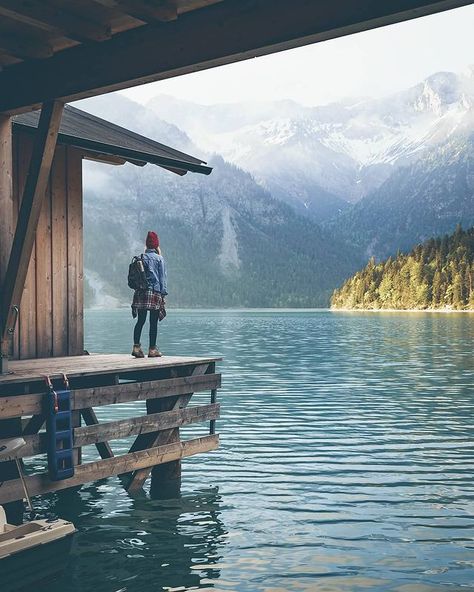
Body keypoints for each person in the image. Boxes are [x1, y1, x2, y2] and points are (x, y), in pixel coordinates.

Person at [131, 231, 168, 358]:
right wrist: (163, 295)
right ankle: (152, 350)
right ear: (157, 245)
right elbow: (162, 278)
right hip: (155, 293)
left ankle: (136, 347)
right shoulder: (159, 259)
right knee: (153, 323)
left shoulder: (141, 257)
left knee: (140, 321)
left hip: (141, 293)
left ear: (146, 245)